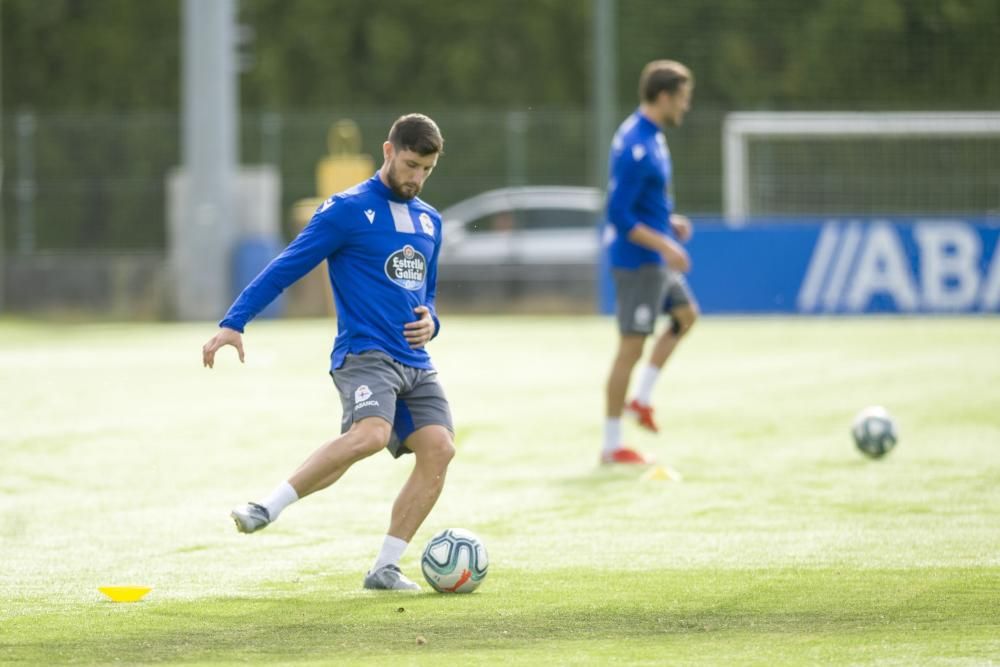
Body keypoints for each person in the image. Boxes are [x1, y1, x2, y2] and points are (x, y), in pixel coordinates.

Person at [202, 114, 454, 591]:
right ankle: (266, 507)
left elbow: (429, 290)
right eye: (410, 164)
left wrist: (431, 321)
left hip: (416, 362)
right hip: (365, 353)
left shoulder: (430, 220)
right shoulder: (346, 210)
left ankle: (384, 568)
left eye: (426, 169)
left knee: (440, 449)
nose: (416, 177)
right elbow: (287, 265)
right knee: (372, 434)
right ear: (388, 151)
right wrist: (234, 322)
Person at [602, 60, 698, 465]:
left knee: (685, 315)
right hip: (638, 261)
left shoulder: (652, 136)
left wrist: (668, 223)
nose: (686, 107)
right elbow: (619, 215)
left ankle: (640, 400)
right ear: (664, 97)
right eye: (682, 99)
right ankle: (611, 445)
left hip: (653, 257)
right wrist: (665, 244)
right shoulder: (637, 146)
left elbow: (642, 204)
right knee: (630, 348)